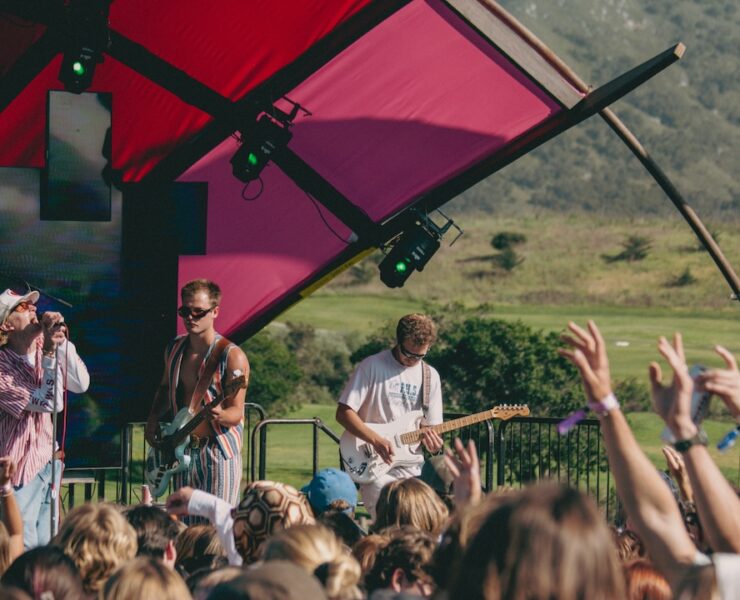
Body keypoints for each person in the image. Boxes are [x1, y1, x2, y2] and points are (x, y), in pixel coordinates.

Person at [145, 279, 250, 507]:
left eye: (198, 312)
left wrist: (221, 415)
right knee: (184, 524)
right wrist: (152, 420)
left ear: (215, 312)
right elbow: (164, 388)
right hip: (180, 450)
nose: (190, 317)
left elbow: (236, 413)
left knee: (216, 524)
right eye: (185, 311)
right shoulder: (174, 348)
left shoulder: (232, 356)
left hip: (217, 453)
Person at [0, 288, 90, 548]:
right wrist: (50, 353)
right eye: (22, 307)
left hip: (48, 462)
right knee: (22, 545)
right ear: (6, 325)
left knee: (48, 545)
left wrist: (60, 342)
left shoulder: (44, 346)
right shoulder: (3, 367)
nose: (32, 309)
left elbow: (81, 384)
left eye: (32, 305)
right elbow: (51, 403)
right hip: (18, 471)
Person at [336, 314, 444, 518]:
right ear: (398, 341)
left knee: (419, 521)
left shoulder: (431, 376)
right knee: (390, 517)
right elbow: (343, 413)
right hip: (373, 462)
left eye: (420, 356)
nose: (412, 360)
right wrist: (376, 440)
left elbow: (432, 430)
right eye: (408, 353)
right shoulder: (371, 366)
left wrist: (433, 444)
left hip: (413, 466)